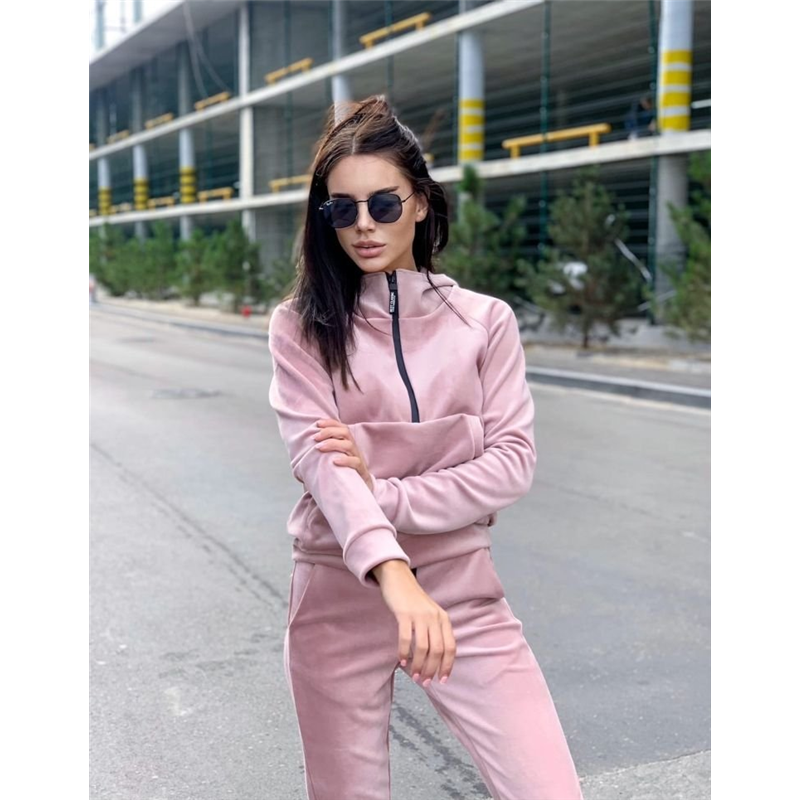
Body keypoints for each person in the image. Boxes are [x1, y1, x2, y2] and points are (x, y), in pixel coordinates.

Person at [267, 94, 584, 800]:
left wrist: (380, 489)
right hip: (339, 594)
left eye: (383, 204)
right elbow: (322, 466)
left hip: (461, 591)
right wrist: (395, 575)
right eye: (341, 209)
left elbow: (510, 463)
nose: (363, 225)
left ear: (419, 203)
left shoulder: (484, 322)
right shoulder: (299, 327)